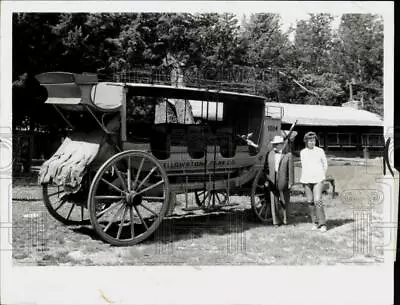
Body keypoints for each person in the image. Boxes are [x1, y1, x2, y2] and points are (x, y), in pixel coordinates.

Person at [300, 131, 328, 232]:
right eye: (309, 141)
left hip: (318, 179)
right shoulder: (302, 152)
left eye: (313, 140)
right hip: (307, 179)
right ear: (306, 142)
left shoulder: (320, 151)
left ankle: (322, 224)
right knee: (310, 201)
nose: (312, 142)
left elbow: (325, 164)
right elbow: (304, 166)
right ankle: (314, 222)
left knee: (317, 200)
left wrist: (322, 176)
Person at [263, 135, 294, 226]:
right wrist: (266, 180)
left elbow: (291, 170)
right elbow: (266, 168)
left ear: (282, 144)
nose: (275, 146)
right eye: (274, 144)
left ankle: (286, 220)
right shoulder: (269, 154)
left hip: (284, 180)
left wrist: (291, 182)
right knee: (274, 201)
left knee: (285, 201)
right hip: (272, 180)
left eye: (277, 144)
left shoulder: (288, 155)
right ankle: (276, 221)